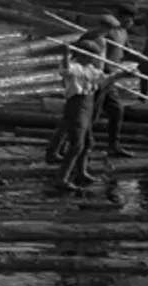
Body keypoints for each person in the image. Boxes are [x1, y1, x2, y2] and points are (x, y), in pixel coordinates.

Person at [45, 8, 137, 161]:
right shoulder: (91, 38)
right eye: (107, 27)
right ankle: (65, 149)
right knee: (80, 117)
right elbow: (77, 59)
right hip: (93, 81)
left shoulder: (116, 35)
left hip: (105, 78)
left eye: (111, 28)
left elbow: (125, 51)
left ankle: (110, 145)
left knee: (115, 110)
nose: (109, 31)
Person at [55, 39, 135, 190]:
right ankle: (62, 178)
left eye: (93, 56)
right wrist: (65, 54)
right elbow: (65, 70)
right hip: (76, 107)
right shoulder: (75, 68)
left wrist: (123, 74)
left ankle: (81, 172)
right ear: (80, 55)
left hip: (88, 106)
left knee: (88, 143)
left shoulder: (91, 70)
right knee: (77, 145)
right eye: (89, 56)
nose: (92, 59)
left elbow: (104, 80)